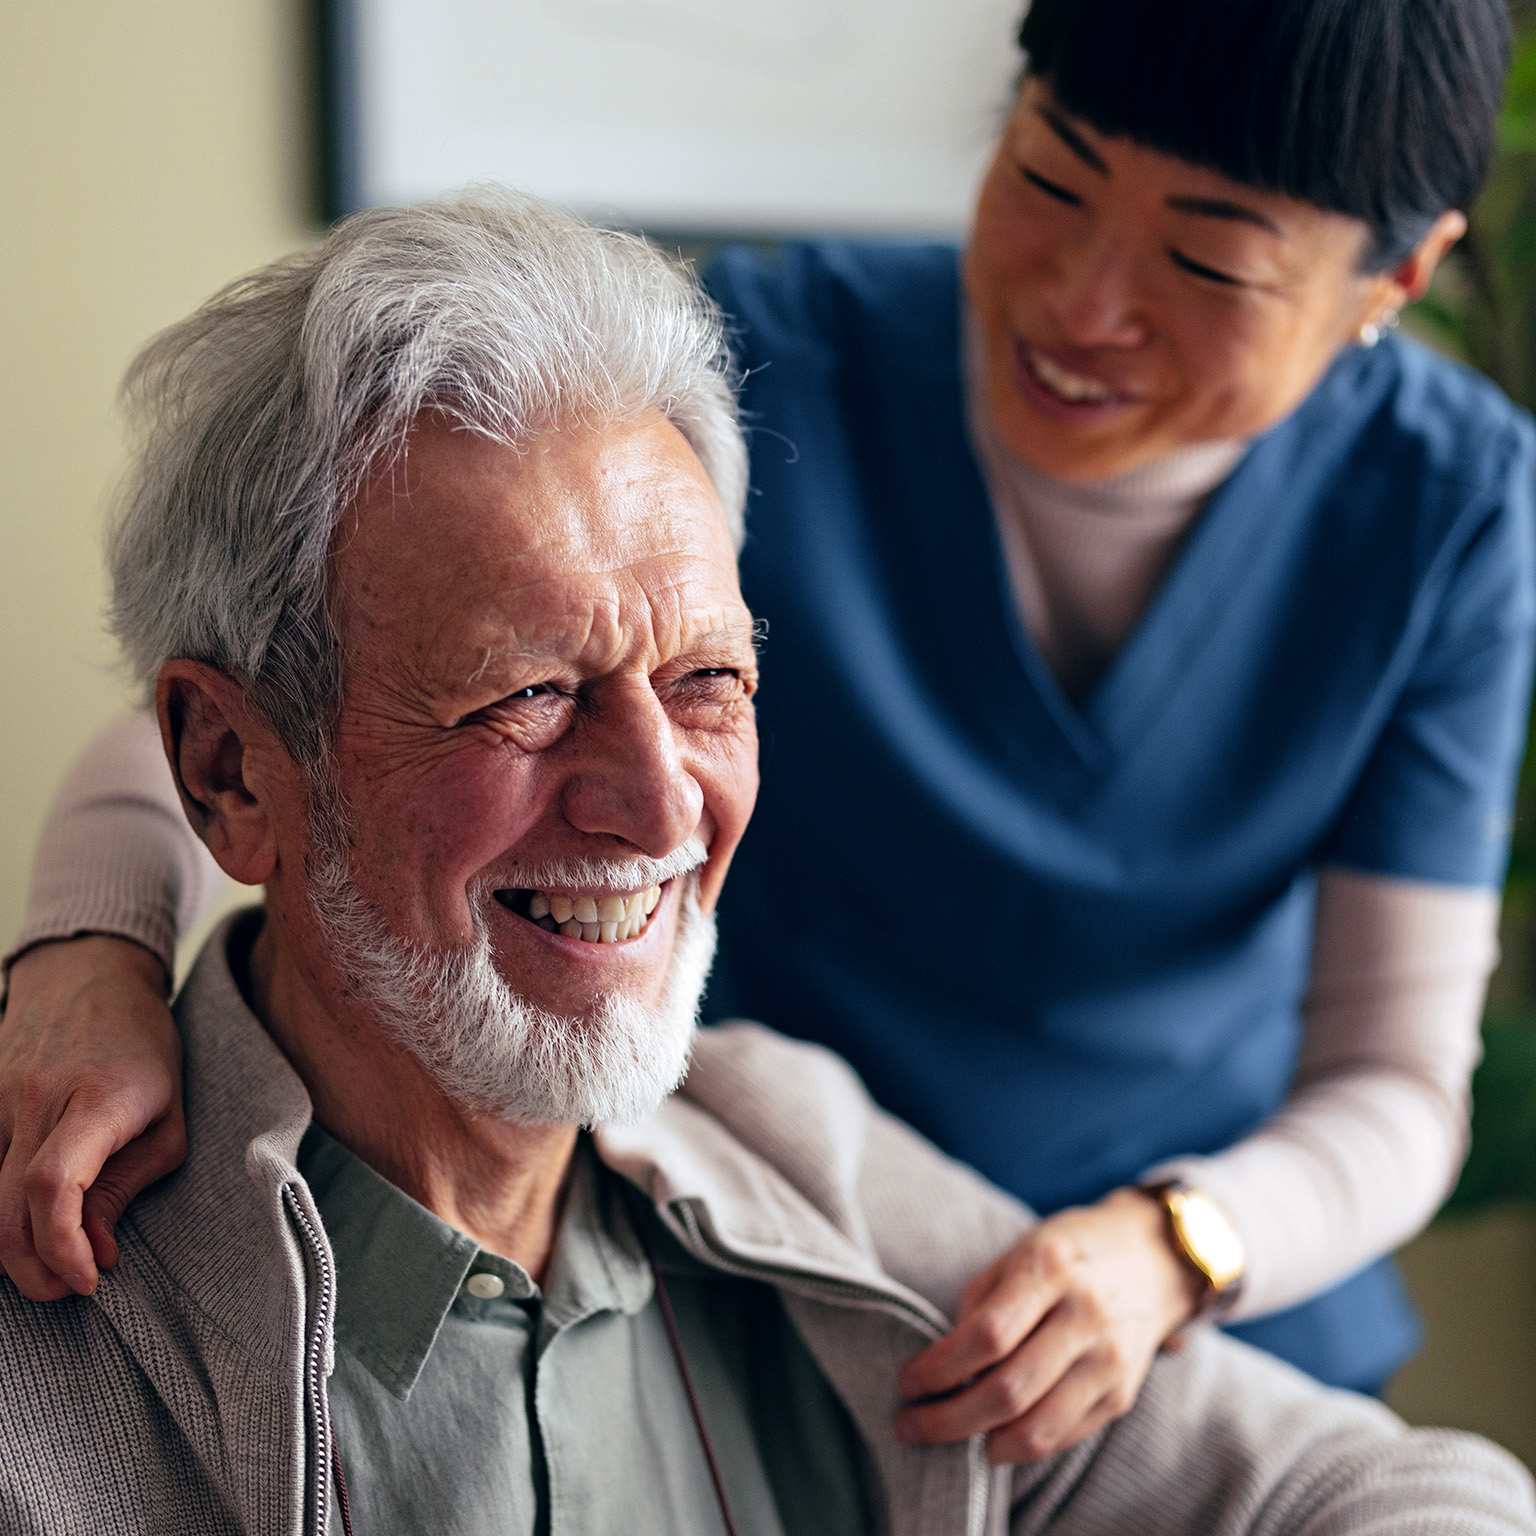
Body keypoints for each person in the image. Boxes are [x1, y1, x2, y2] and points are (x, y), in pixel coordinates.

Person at [1, 0, 1533, 1459]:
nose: (1081, 299)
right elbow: (261, 724)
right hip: (796, 1280)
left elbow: (1396, 1080)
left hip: (1197, 1320)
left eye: (1210, 265)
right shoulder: (767, 368)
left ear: (1393, 285)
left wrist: (1180, 1247)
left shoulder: (1449, 514)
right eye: (1050, 175)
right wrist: (89, 958)